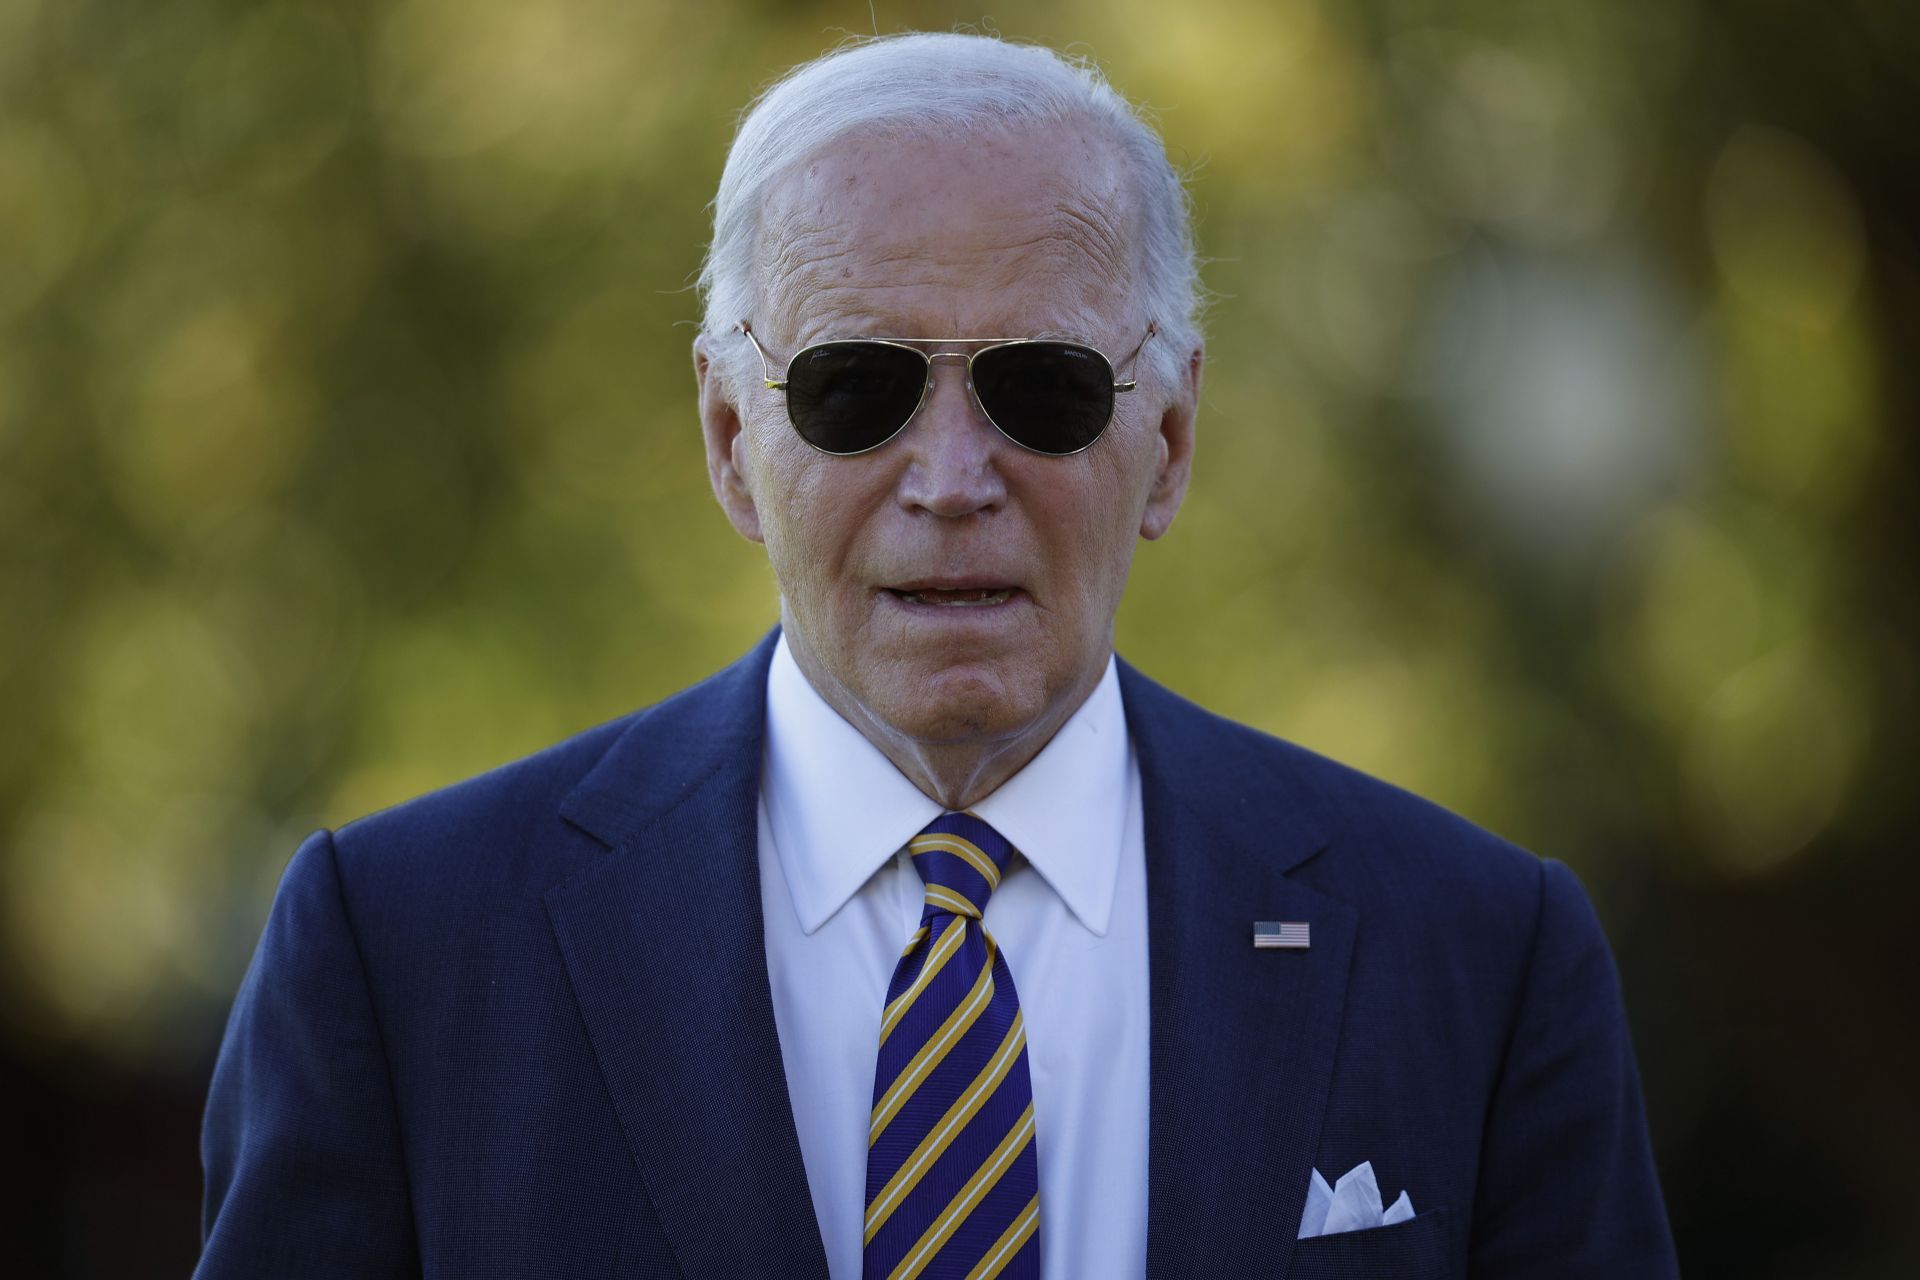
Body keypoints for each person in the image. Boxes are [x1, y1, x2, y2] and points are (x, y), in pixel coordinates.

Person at [196, 32, 1678, 1280]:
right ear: (730, 440)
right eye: (856, 389)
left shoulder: (1478, 961)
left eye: (1045, 388)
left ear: (1167, 443)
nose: (953, 474)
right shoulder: (404, 959)